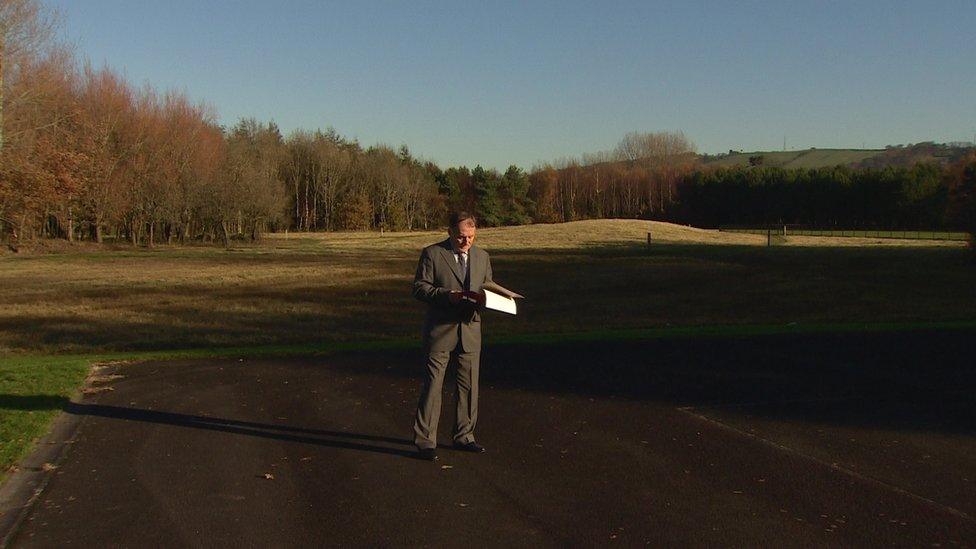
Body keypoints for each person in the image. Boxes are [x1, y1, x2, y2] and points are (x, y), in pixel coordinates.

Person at [412, 211, 492, 461]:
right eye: (460, 237)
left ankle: (465, 436)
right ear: (449, 233)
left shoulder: (483, 256)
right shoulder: (433, 254)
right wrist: (448, 295)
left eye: (470, 237)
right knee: (433, 387)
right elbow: (420, 288)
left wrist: (495, 299)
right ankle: (425, 441)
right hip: (441, 330)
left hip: (470, 330)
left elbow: (487, 285)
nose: (466, 242)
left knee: (468, 388)